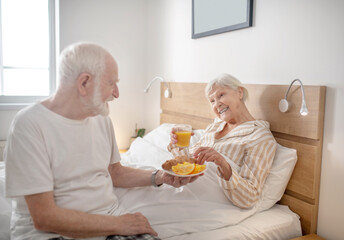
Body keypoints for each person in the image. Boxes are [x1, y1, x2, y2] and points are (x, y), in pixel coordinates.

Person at [4, 42, 199, 240]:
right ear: (84, 83)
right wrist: (121, 224)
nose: (117, 93)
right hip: (51, 234)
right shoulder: (29, 124)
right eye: (111, 83)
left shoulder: (101, 118)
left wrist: (160, 177)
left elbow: (116, 173)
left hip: (110, 221)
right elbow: (44, 218)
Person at [168, 73, 277, 209]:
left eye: (221, 95)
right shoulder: (215, 126)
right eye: (212, 101)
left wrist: (223, 164)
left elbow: (250, 197)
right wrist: (177, 145)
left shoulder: (259, 137)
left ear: (239, 92)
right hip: (185, 186)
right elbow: (190, 165)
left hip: (205, 200)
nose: (217, 104)